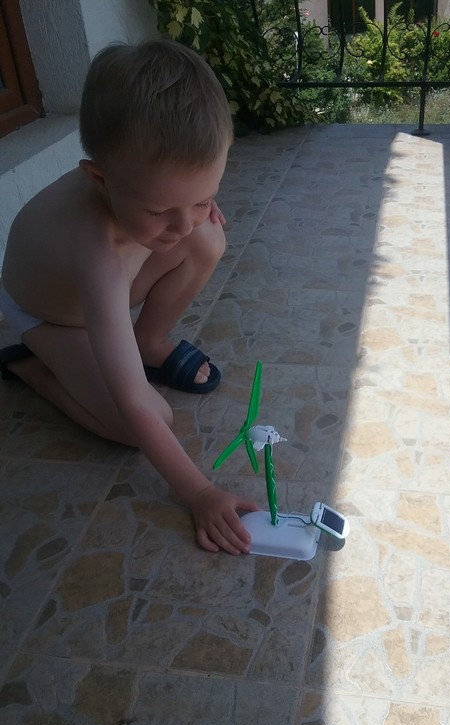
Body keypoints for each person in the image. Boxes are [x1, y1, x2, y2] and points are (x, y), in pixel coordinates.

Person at [0, 39, 259, 555]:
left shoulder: (147, 191)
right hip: (54, 315)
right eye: (161, 210)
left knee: (208, 237)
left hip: (103, 292)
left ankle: (148, 341)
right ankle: (32, 367)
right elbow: (134, 402)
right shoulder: (96, 254)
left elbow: (182, 210)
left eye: (203, 196)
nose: (181, 223)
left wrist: (189, 207)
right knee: (142, 421)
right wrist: (198, 492)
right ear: (100, 180)